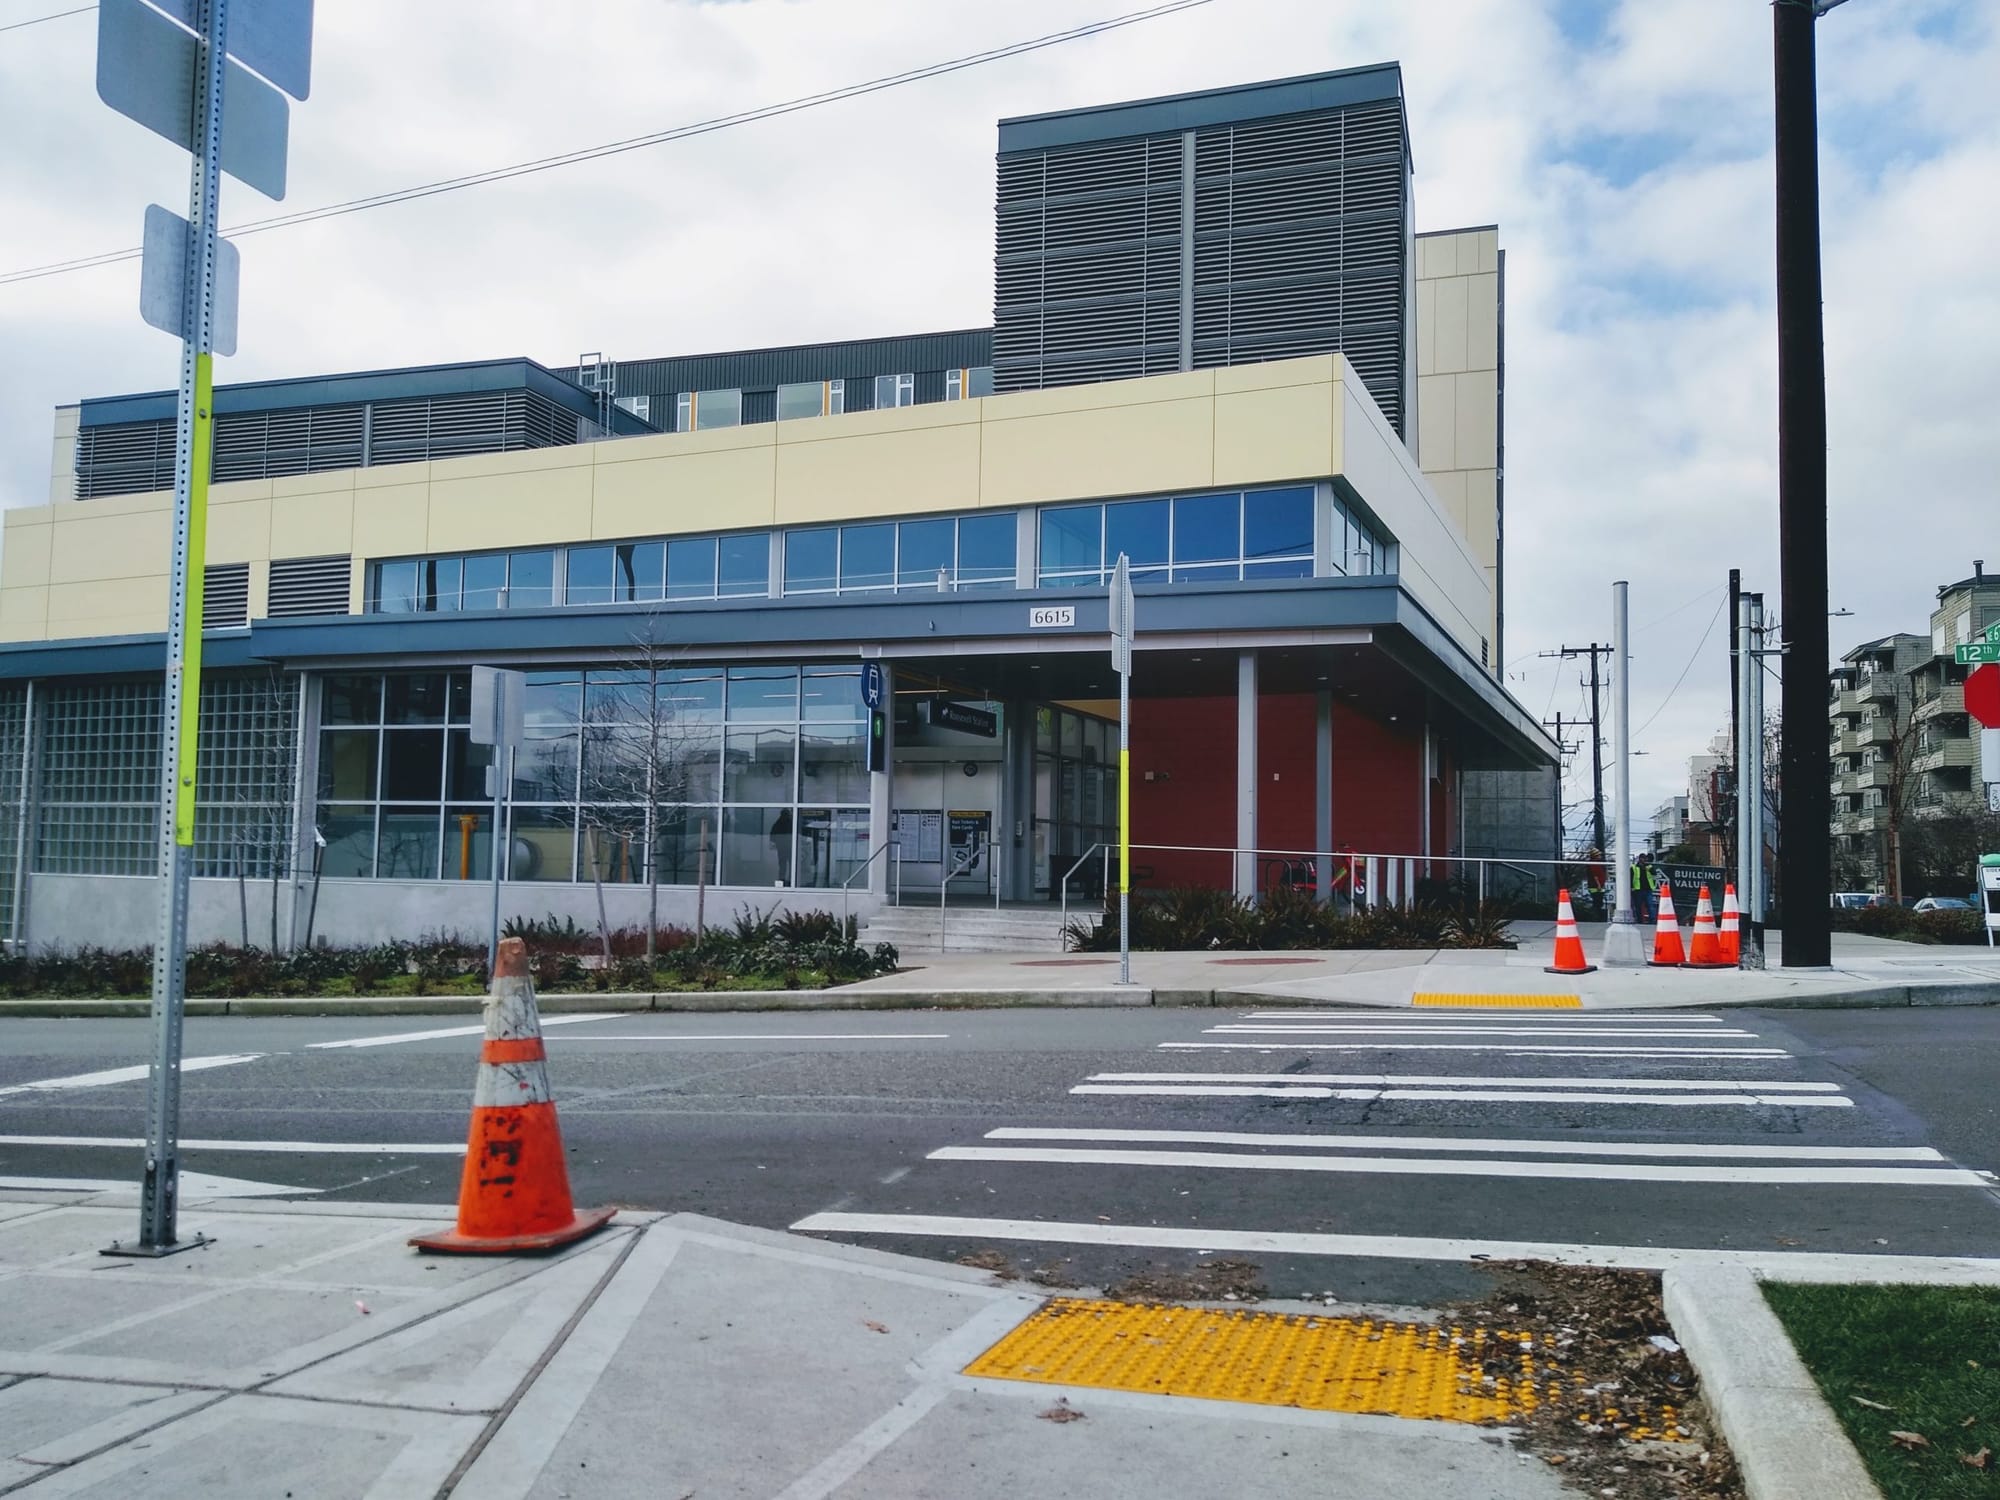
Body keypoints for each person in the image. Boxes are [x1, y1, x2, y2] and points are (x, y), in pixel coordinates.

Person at [1632, 852, 1659, 922]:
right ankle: (1639, 920)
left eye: (1645, 858)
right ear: (1640, 859)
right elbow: (1631, 877)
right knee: (1638, 906)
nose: (1645, 860)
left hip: (1648, 889)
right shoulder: (1634, 867)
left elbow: (1654, 873)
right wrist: (1632, 887)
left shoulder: (1648, 866)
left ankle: (1652, 919)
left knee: (1650, 905)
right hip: (1638, 889)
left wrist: (1648, 867)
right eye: (1643, 858)